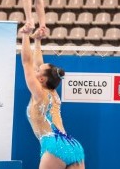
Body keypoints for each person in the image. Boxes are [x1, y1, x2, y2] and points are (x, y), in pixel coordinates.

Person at [20, 28, 85, 169]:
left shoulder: (39, 93)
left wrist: (25, 36)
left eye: (37, 71)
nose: (35, 70)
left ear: (41, 79)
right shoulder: (53, 93)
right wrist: (37, 42)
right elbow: (38, 64)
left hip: (54, 145)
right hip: (73, 146)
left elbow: (27, 62)